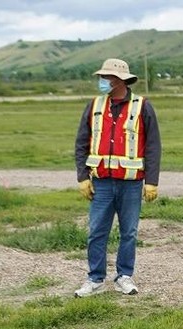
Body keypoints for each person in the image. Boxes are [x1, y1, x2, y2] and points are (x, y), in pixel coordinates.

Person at [74, 58, 162, 297]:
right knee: (97, 231)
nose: (102, 82)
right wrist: (83, 176)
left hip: (131, 184)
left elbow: (153, 146)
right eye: (102, 77)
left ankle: (124, 276)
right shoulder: (94, 106)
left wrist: (151, 181)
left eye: (107, 78)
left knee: (129, 232)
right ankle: (94, 279)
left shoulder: (142, 106)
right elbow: (81, 143)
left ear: (120, 80)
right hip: (101, 182)